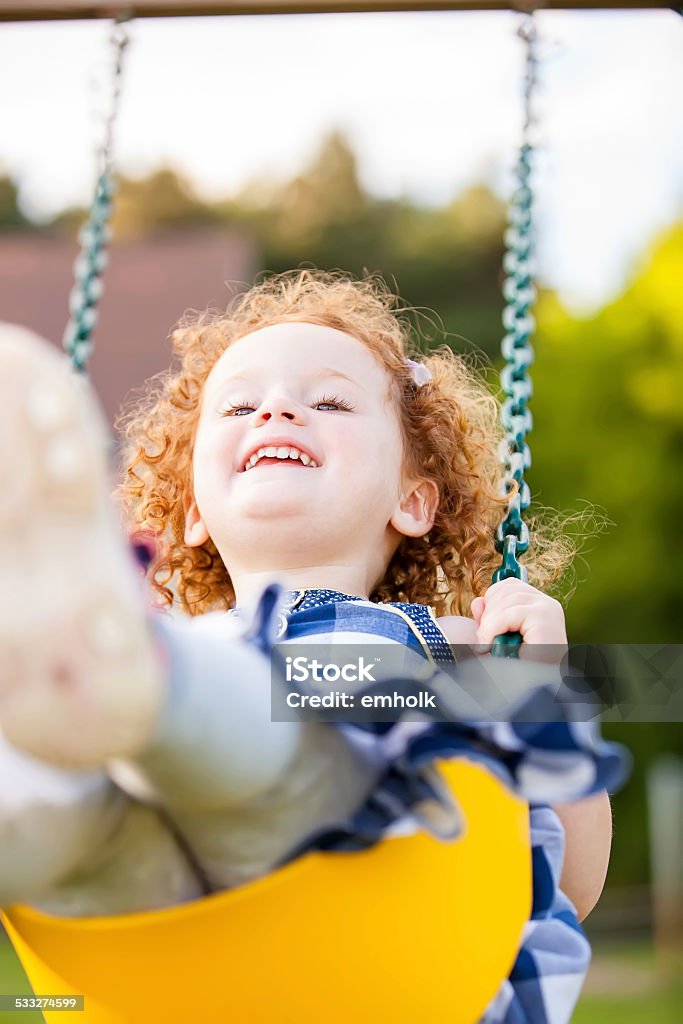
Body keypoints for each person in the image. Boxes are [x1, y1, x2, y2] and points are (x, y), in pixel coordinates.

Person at [0, 271, 626, 1021]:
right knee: (102, 846)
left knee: (226, 719)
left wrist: (541, 683)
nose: (275, 409)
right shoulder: (162, 653)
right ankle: (35, 817)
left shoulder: (456, 649)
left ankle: (145, 700)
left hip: (385, 938)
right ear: (192, 512)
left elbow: (571, 884)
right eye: (237, 406)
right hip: (172, 961)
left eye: (328, 402)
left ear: (412, 499)